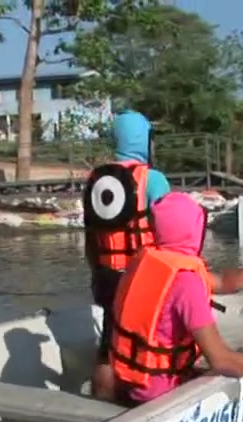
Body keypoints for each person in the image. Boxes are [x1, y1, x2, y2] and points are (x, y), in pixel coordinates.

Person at [99, 192, 243, 408]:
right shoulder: (186, 282)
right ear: (193, 231)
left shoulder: (144, 263)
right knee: (225, 365)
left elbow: (224, 281)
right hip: (157, 397)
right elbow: (221, 360)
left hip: (125, 381)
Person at [84, 108, 173, 398]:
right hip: (143, 275)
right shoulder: (154, 179)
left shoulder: (95, 178)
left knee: (109, 342)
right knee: (148, 341)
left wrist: (96, 271)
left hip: (105, 274)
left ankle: (103, 399)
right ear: (144, 139)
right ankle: (145, 397)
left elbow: (90, 234)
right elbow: (171, 231)